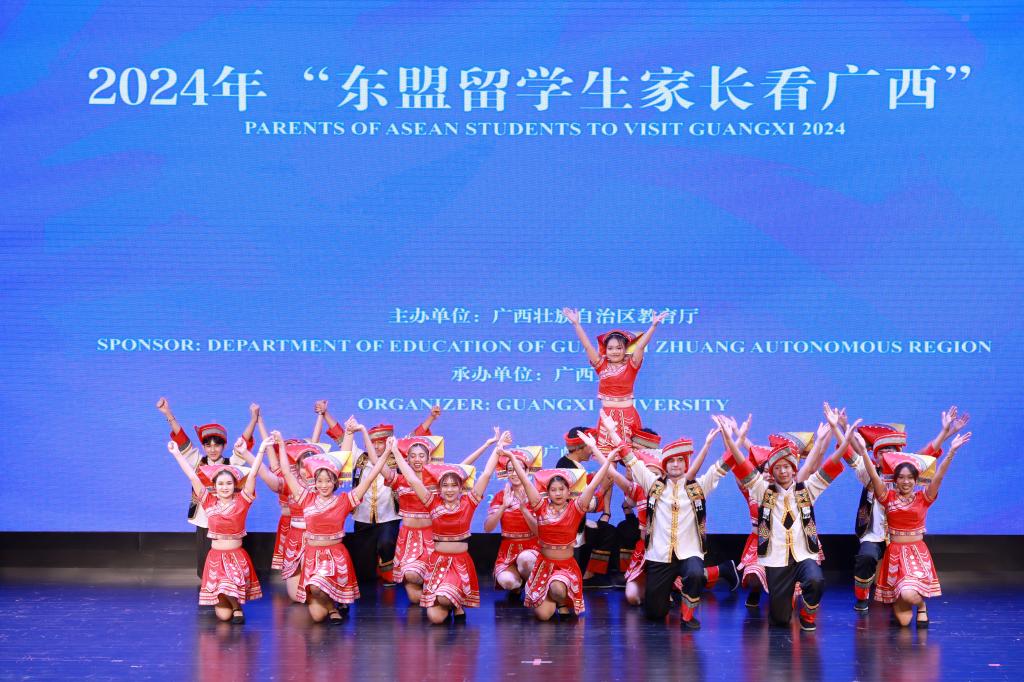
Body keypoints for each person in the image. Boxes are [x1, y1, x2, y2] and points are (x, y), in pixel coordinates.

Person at [718, 414, 859, 631]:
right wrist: (732, 438)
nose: (783, 471)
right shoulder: (762, 492)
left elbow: (828, 464)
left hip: (803, 555)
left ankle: (808, 615)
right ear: (771, 471)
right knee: (781, 619)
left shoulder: (807, 490)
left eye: (787, 467)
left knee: (815, 579)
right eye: (777, 468)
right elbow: (740, 463)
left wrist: (841, 438)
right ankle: (778, 609)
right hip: (776, 560)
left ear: (794, 469)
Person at [828, 404, 969, 611]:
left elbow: (928, 453)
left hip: (901, 539)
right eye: (881, 452)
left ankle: (906, 597)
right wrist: (840, 427)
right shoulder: (869, 473)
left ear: (899, 455)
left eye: (890, 452)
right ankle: (862, 597)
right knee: (866, 556)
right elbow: (852, 451)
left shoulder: (905, 475)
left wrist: (946, 432)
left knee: (902, 602)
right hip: (875, 534)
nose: (886, 456)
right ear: (875, 456)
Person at [617, 419, 734, 629]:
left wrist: (730, 439)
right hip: (659, 555)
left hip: (689, 552)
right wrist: (610, 431)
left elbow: (725, 464)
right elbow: (631, 459)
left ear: (686, 464)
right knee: (655, 613)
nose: (676, 464)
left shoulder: (698, 487)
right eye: (671, 460)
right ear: (665, 465)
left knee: (695, 572)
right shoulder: (653, 485)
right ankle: (662, 600)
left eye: (680, 460)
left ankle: (688, 616)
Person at [319, 401, 442, 585]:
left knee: (386, 543)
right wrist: (326, 413)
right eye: (373, 443)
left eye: (380, 443)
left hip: (388, 516)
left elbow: (414, 437)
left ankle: (389, 570)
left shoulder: (398, 459)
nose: (376, 447)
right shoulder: (359, 457)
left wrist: (431, 418)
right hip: (363, 516)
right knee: (363, 570)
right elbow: (341, 436)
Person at [276, 428, 391, 623]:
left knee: (317, 589)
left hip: (335, 557)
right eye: (319, 481)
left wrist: (387, 452)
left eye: (328, 481)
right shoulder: (306, 498)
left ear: (335, 482)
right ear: (314, 481)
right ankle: (332, 606)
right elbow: (286, 472)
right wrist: (280, 443)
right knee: (316, 614)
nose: (323, 485)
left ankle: (334, 605)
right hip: (312, 556)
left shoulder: (344, 501)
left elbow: (372, 475)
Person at [860, 429, 971, 626]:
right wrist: (862, 451)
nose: (906, 482)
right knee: (903, 622)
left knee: (909, 595)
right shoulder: (887, 497)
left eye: (910, 477)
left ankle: (921, 605)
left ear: (916, 479)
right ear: (895, 480)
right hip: (894, 554)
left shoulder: (923, 498)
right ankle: (908, 600)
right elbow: (873, 475)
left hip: (916, 554)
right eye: (901, 477)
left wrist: (952, 451)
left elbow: (939, 476)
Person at [392, 432, 506, 623]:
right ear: (439, 488)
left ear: (461, 488)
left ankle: (456, 602)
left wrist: (497, 448)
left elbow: (486, 474)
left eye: (454, 486)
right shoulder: (432, 502)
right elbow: (412, 480)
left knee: (444, 599)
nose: (450, 489)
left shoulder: (468, 503)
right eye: (445, 485)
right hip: (437, 562)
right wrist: (395, 451)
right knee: (435, 618)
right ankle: (452, 603)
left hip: (459, 563)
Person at [166, 435, 268, 623]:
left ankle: (236, 606)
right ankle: (232, 604)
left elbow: (253, 474)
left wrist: (261, 450)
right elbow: (192, 476)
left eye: (229, 483)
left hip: (235, 558)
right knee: (223, 616)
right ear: (214, 486)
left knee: (229, 596)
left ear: (235, 485)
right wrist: (176, 454)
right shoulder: (209, 502)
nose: (225, 487)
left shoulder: (242, 502)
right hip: (215, 560)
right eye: (220, 484)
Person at [508, 448, 618, 620]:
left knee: (558, 589)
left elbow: (593, 484)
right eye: (553, 490)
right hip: (544, 566)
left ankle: (562, 601)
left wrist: (608, 459)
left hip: (565, 567)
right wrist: (511, 458)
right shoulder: (541, 507)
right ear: (548, 493)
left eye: (561, 489)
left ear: (569, 491)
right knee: (543, 616)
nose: (558, 493)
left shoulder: (576, 508)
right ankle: (554, 599)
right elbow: (526, 481)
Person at [156, 398, 258, 578]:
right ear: (203, 446)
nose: (212, 449)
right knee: (205, 564)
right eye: (208, 445)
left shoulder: (231, 464)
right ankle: (208, 587)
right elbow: (182, 440)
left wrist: (253, 419)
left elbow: (244, 442)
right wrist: (168, 413)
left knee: (230, 562)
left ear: (224, 446)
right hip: (205, 519)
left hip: (228, 520)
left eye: (217, 444)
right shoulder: (198, 462)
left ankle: (228, 587)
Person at [561, 307, 668, 449]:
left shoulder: (632, 364)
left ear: (625, 349)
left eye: (619, 348)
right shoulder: (601, 364)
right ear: (605, 350)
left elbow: (641, 347)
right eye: (610, 348)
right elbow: (587, 346)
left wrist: (653, 326)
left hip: (628, 416)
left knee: (630, 456)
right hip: (607, 417)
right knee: (608, 456)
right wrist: (576, 324)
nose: (615, 351)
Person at [484, 449, 539, 597]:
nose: (514, 473)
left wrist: (523, 509)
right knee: (508, 582)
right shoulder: (500, 496)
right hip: (507, 550)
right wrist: (503, 506)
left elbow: (539, 532)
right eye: (510, 470)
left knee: (526, 559)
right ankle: (519, 585)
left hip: (532, 548)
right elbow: (488, 528)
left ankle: (533, 587)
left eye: (519, 469)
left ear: (527, 472)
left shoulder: (535, 496)